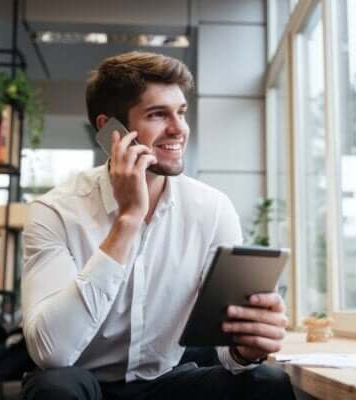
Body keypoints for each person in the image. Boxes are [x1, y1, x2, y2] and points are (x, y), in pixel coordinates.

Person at [20, 51, 295, 400]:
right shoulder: (54, 212)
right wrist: (129, 219)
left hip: (166, 381)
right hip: (85, 382)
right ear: (110, 130)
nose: (179, 128)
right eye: (157, 114)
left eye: (180, 112)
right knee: (54, 390)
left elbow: (226, 349)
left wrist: (247, 346)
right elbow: (52, 353)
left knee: (267, 383)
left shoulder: (212, 210)